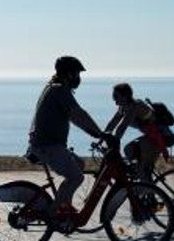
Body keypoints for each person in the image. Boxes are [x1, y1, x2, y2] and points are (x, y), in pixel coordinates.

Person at [26, 56, 112, 229]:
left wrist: (94, 133)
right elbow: (78, 113)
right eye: (77, 73)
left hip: (49, 144)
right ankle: (52, 215)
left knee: (79, 164)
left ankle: (65, 208)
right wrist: (100, 133)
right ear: (68, 74)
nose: (79, 78)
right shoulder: (59, 90)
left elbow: (75, 118)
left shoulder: (55, 88)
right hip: (47, 146)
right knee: (75, 177)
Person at [103, 83, 163, 182]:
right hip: (151, 136)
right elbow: (113, 123)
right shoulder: (123, 107)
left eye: (116, 97)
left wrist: (114, 142)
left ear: (125, 96)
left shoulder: (135, 106)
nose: (115, 101)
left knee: (129, 151)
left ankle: (146, 187)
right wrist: (102, 138)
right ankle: (147, 190)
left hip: (158, 137)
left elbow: (122, 127)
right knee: (136, 162)